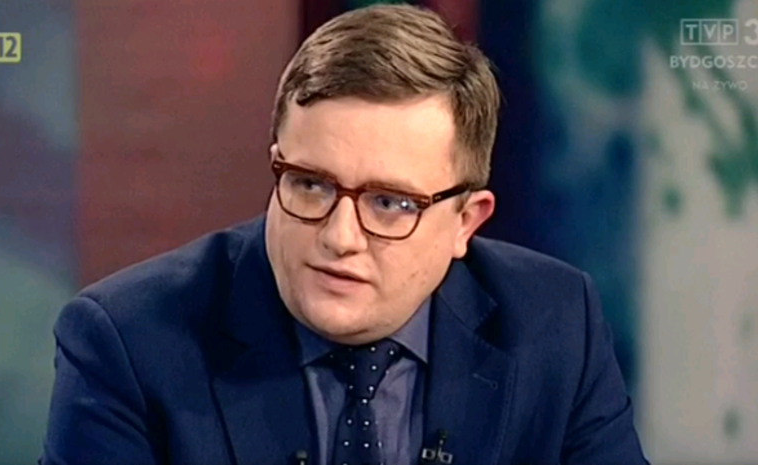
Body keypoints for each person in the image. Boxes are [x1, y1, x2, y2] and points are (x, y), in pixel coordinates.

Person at [40, 4, 650, 465]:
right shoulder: (129, 344)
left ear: (466, 222)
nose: (339, 237)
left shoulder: (555, 324)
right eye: (311, 185)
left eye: (389, 203)